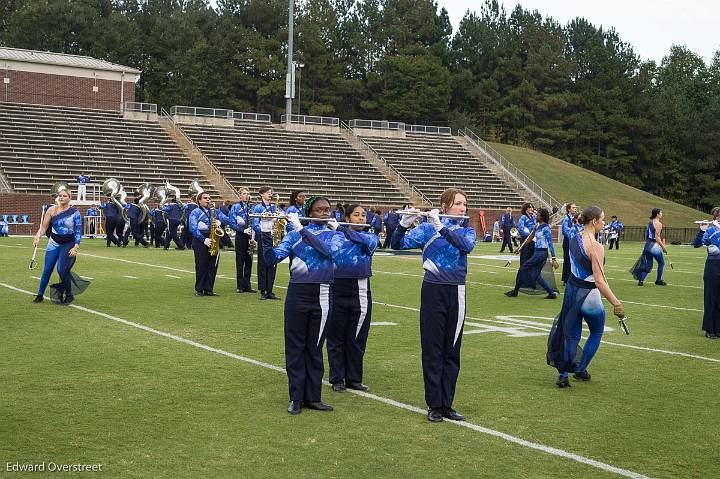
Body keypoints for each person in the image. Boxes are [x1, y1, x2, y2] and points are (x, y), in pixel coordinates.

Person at [392, 188, 476, 423]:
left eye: (464, 204)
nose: (462, 208)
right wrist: (403, 223)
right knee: (432, 350)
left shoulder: (466, 230)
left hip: (456, 291)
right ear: (445, 205)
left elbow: (466, 246)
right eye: (458, 204)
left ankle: (447, 403)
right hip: (432, 290)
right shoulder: (428, 228)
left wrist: (442, 228)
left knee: (451, 349)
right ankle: (434, 405)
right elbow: (395, 244)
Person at [260, 196, 343, 415]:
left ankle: (313, 397)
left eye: (327, 209)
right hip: (298, 294)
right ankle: (296, 397)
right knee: (295, 347)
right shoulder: (294, 235)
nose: (325, 213)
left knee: (314, 347)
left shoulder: (336, 235)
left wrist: (302, 230)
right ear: (309, 212)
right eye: (319, 210)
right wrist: (266, 233)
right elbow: (271, 259)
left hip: (323, 294)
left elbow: (329, 251)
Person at [547, 205, 624, 387]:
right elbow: (599, 281)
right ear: (594, 221)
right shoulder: (596, 246)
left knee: (572, 334)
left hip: (573, 292)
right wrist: (616, 303)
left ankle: (564, 375)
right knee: (596, 331)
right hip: (590, 296)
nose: (604, 223)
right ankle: (580, 369)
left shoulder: (574, 238)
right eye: (602, 220)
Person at [328, 204, 378, 393]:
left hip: (361, 288)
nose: (361, 218)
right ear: (347, 218)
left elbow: (363, 243)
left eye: (363, 215)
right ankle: (337, 378)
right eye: (356, 215)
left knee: (357, 335)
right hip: (336, 286)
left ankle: (354, 378)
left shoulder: (370, 236)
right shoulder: (334, 234)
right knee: (336, 335)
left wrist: (341, 229)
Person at [32, 188, 88, 304]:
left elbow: (78, 231)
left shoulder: (75, 213)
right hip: (54, 242)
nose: (61, 197)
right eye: (60, 196)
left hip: (69, 243)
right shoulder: (51, 210)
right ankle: (40, 295)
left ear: (69, 198)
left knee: (62, 270)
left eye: (64, 196)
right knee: (47, 269)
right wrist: (37, 237)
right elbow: (43, 228)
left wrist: (75, 247)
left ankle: (69, 294)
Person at [505, 208, 559, 299]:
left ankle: (515, 291)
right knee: (536, 275)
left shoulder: (546, 228)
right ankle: (551, 293)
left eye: (538, 215)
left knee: (522, 269)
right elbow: (529, 239)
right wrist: (519, 248)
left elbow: (550, 243)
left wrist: (553, 258)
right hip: (537, 252)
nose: (536, 216)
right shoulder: (537, 226)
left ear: (542, 217)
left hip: (541, 253)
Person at [188, 191, 231, 297]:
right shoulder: (195, 212)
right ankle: (199, 289)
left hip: (214, 239)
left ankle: (209, 289)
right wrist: (204, 239)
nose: (208, 199)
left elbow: (227, 219)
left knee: (213, 266)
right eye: (205, 198)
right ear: (199, 200)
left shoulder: (214, 211)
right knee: (201, 265)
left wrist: (220, 223)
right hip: (201, 241)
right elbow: (192, 228)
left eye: (209, 198)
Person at [692, 208, 720, 339]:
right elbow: (696, 244)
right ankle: (710, 329)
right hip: (713, 266)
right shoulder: (711, 230)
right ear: (716, 216)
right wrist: (702, 230)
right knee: (711, 298)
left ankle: (718, 328)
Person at [252, 186, 280, 300]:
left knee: (272, 264)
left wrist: (277, 221)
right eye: (268, 193)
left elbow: (281, 219)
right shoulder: (258, 208)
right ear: (261, 194)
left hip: (274, 238)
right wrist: (265, 231)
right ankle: (263, 290)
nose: (270, 194)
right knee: (263, 264)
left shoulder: (274, 207)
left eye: (271, 193)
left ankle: (270, 290)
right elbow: (255, 224)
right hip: (264, 237)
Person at [228, 187, 256, 293]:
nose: (246, 195)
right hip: (241, 236)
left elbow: (254, 220)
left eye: (248, 193)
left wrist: (253, 233)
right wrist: (242, 230)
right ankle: (240, 286)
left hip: (250, 236)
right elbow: (231, 222)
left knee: (249, 261)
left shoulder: (251, 207)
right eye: (244, 193)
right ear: (240, 195)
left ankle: (247, 285)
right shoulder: (235, 207)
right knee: (240, 261)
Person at [630, 208, 667, 286]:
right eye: (661, 212)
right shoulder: (658, 224)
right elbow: (657, 238)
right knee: (661, 263)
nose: (662, 213)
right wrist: (663, 247)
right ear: (657, 214)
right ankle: (658, 280)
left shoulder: (650, 222)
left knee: (649, 264)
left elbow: (647, 235)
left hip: (648, 245)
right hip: (654, 245)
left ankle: (641, 281)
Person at [561, 203, 578, 285]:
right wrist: (572, 235)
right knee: (567, 259)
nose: (575, 209)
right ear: (568, 209)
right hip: (568, 241)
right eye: (573, 207)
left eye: (575, 207)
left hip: (573, 241)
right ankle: (566, 279)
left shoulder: (574, 218)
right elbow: (564, 230)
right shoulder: (566, 219)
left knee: (573, 260)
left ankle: (571, 277)